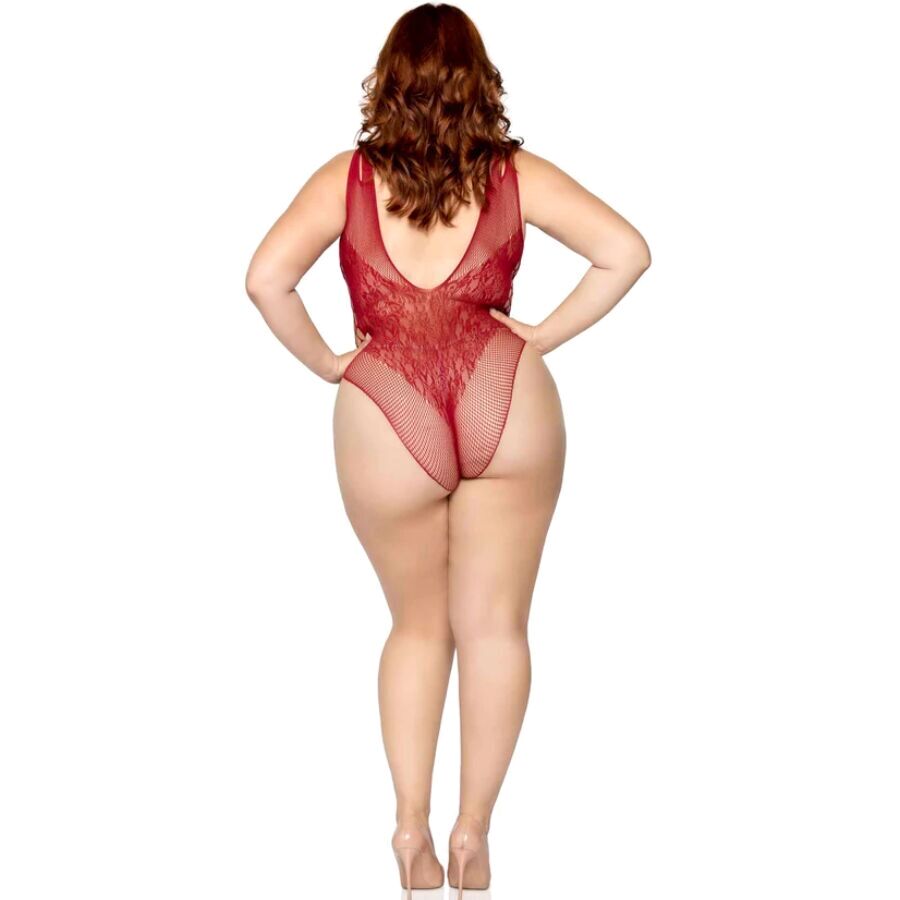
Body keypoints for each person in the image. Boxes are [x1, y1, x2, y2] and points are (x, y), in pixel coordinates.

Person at [245, 4, 651, 896]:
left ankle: (409, 828)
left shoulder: (346, 179)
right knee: (495, 626)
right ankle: (473, 835)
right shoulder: (514, 174)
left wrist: (328, 362)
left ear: (387, 82)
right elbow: (626, 251)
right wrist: (538, 336)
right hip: (504, 394)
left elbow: (265, 279)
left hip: (385, 403)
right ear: (480, 82)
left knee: (417, 626)